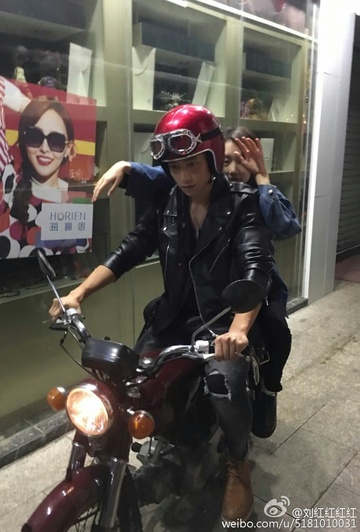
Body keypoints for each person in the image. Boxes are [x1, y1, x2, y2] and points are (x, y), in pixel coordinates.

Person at [50, 104, 274, 522]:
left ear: (211, 159)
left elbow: (255, 268)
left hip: (221, 323)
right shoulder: (169, 201)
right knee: (129, 382)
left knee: (225, 382)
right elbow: (130, 250)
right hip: (172, 319)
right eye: (175, 167)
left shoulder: (244, 204)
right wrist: (78, 293)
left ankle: (237, 463)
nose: (184, 176)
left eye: (192, 164)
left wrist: (240, 330)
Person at [92, 126, 301, 439]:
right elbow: (169, 176)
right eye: (226, 160)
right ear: (215, 161)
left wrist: (262, 180)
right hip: (208, 291)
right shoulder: (198, 189)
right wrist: (127, 168)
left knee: (275, 326)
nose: (233, 168)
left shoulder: (254, 197)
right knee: (148, 342)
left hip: (256, 284)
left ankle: (269, 390)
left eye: (241, 160)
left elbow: (285, 229)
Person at [0, 74, 90, 259]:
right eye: (35, 136)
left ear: (68, 148)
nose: (44, 149)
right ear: (25, 139)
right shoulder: (6, 175)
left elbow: (79, 261)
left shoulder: (75, 197)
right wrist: (32, 109)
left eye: (56, 141)